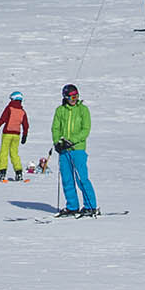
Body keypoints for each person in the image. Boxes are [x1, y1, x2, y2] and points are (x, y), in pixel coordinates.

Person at [52, 83, 97, 216]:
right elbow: (55, 128)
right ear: (65, 97)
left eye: (76, 96)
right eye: (71, 97)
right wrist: (57, 143)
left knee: (81, 178)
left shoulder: (83, 110)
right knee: (67, 179)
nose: (74, 99)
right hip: (64, 151)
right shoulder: (60, 110)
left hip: (77, 149)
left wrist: (71, 141)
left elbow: (85, 130)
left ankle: (90, 206)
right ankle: (72, 206)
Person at [0, 90, 31, 181]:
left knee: (4, 152)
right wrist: (24, 135)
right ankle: (19, 172)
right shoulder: (22, 111)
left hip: (7, 134)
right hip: (16, 135)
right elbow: (26, 125)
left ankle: (2, 172)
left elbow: (3, 119)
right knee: (14, 153)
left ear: (13, 99)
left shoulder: (9, 108)